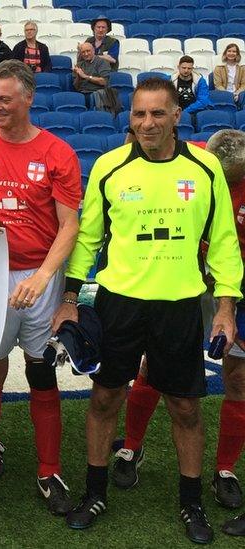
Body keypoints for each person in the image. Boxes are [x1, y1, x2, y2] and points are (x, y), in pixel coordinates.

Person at [54, 77, 243, 544]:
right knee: (104, 398)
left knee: (184, 406)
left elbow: (222, 241)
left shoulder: (204, 168)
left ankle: (191, 501)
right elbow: (88, 238)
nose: (147, 123)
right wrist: (69, 299)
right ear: (130, 116)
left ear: (177, 116)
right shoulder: (109, 166)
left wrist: (225, 307)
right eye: (139, 114)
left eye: (158, 114)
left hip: (179, 304)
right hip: (119, 302)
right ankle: (94, 492)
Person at [107, 128, 245, 538]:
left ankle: (224, 469)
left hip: (235, 285)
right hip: (186, 281)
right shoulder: (197, 162)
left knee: (237, 378)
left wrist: (230, 302)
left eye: (233, 180)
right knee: (153, 363)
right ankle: (132, 445)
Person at [0, 60, 82, 516]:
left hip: (39, 276)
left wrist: (44, 277)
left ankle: (49, 471)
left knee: (40, 371)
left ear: (28, 98)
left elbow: (70, 225)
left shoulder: (57, 152)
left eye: (5, 100)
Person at [73, 42, 116, 113]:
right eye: (83, 52)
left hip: (97, 93)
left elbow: (103, 81)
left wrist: (85, 76)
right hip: (82, 94)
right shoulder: (79, 65)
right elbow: (76, 87)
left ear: (93, 51)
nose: (86, 54)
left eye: (88, 51)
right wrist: (78, 76)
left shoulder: (102, 62)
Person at [212, 44, 245, 108]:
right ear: (225, 53)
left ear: (237, 54)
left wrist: (237, 93)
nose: (231, 53)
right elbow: (218, 85)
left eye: (234, 51)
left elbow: (244, 85)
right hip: (223, 93)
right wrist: (229, 95)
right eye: (229, 51)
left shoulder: (242, 68)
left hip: (239, 94)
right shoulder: (218, 68)